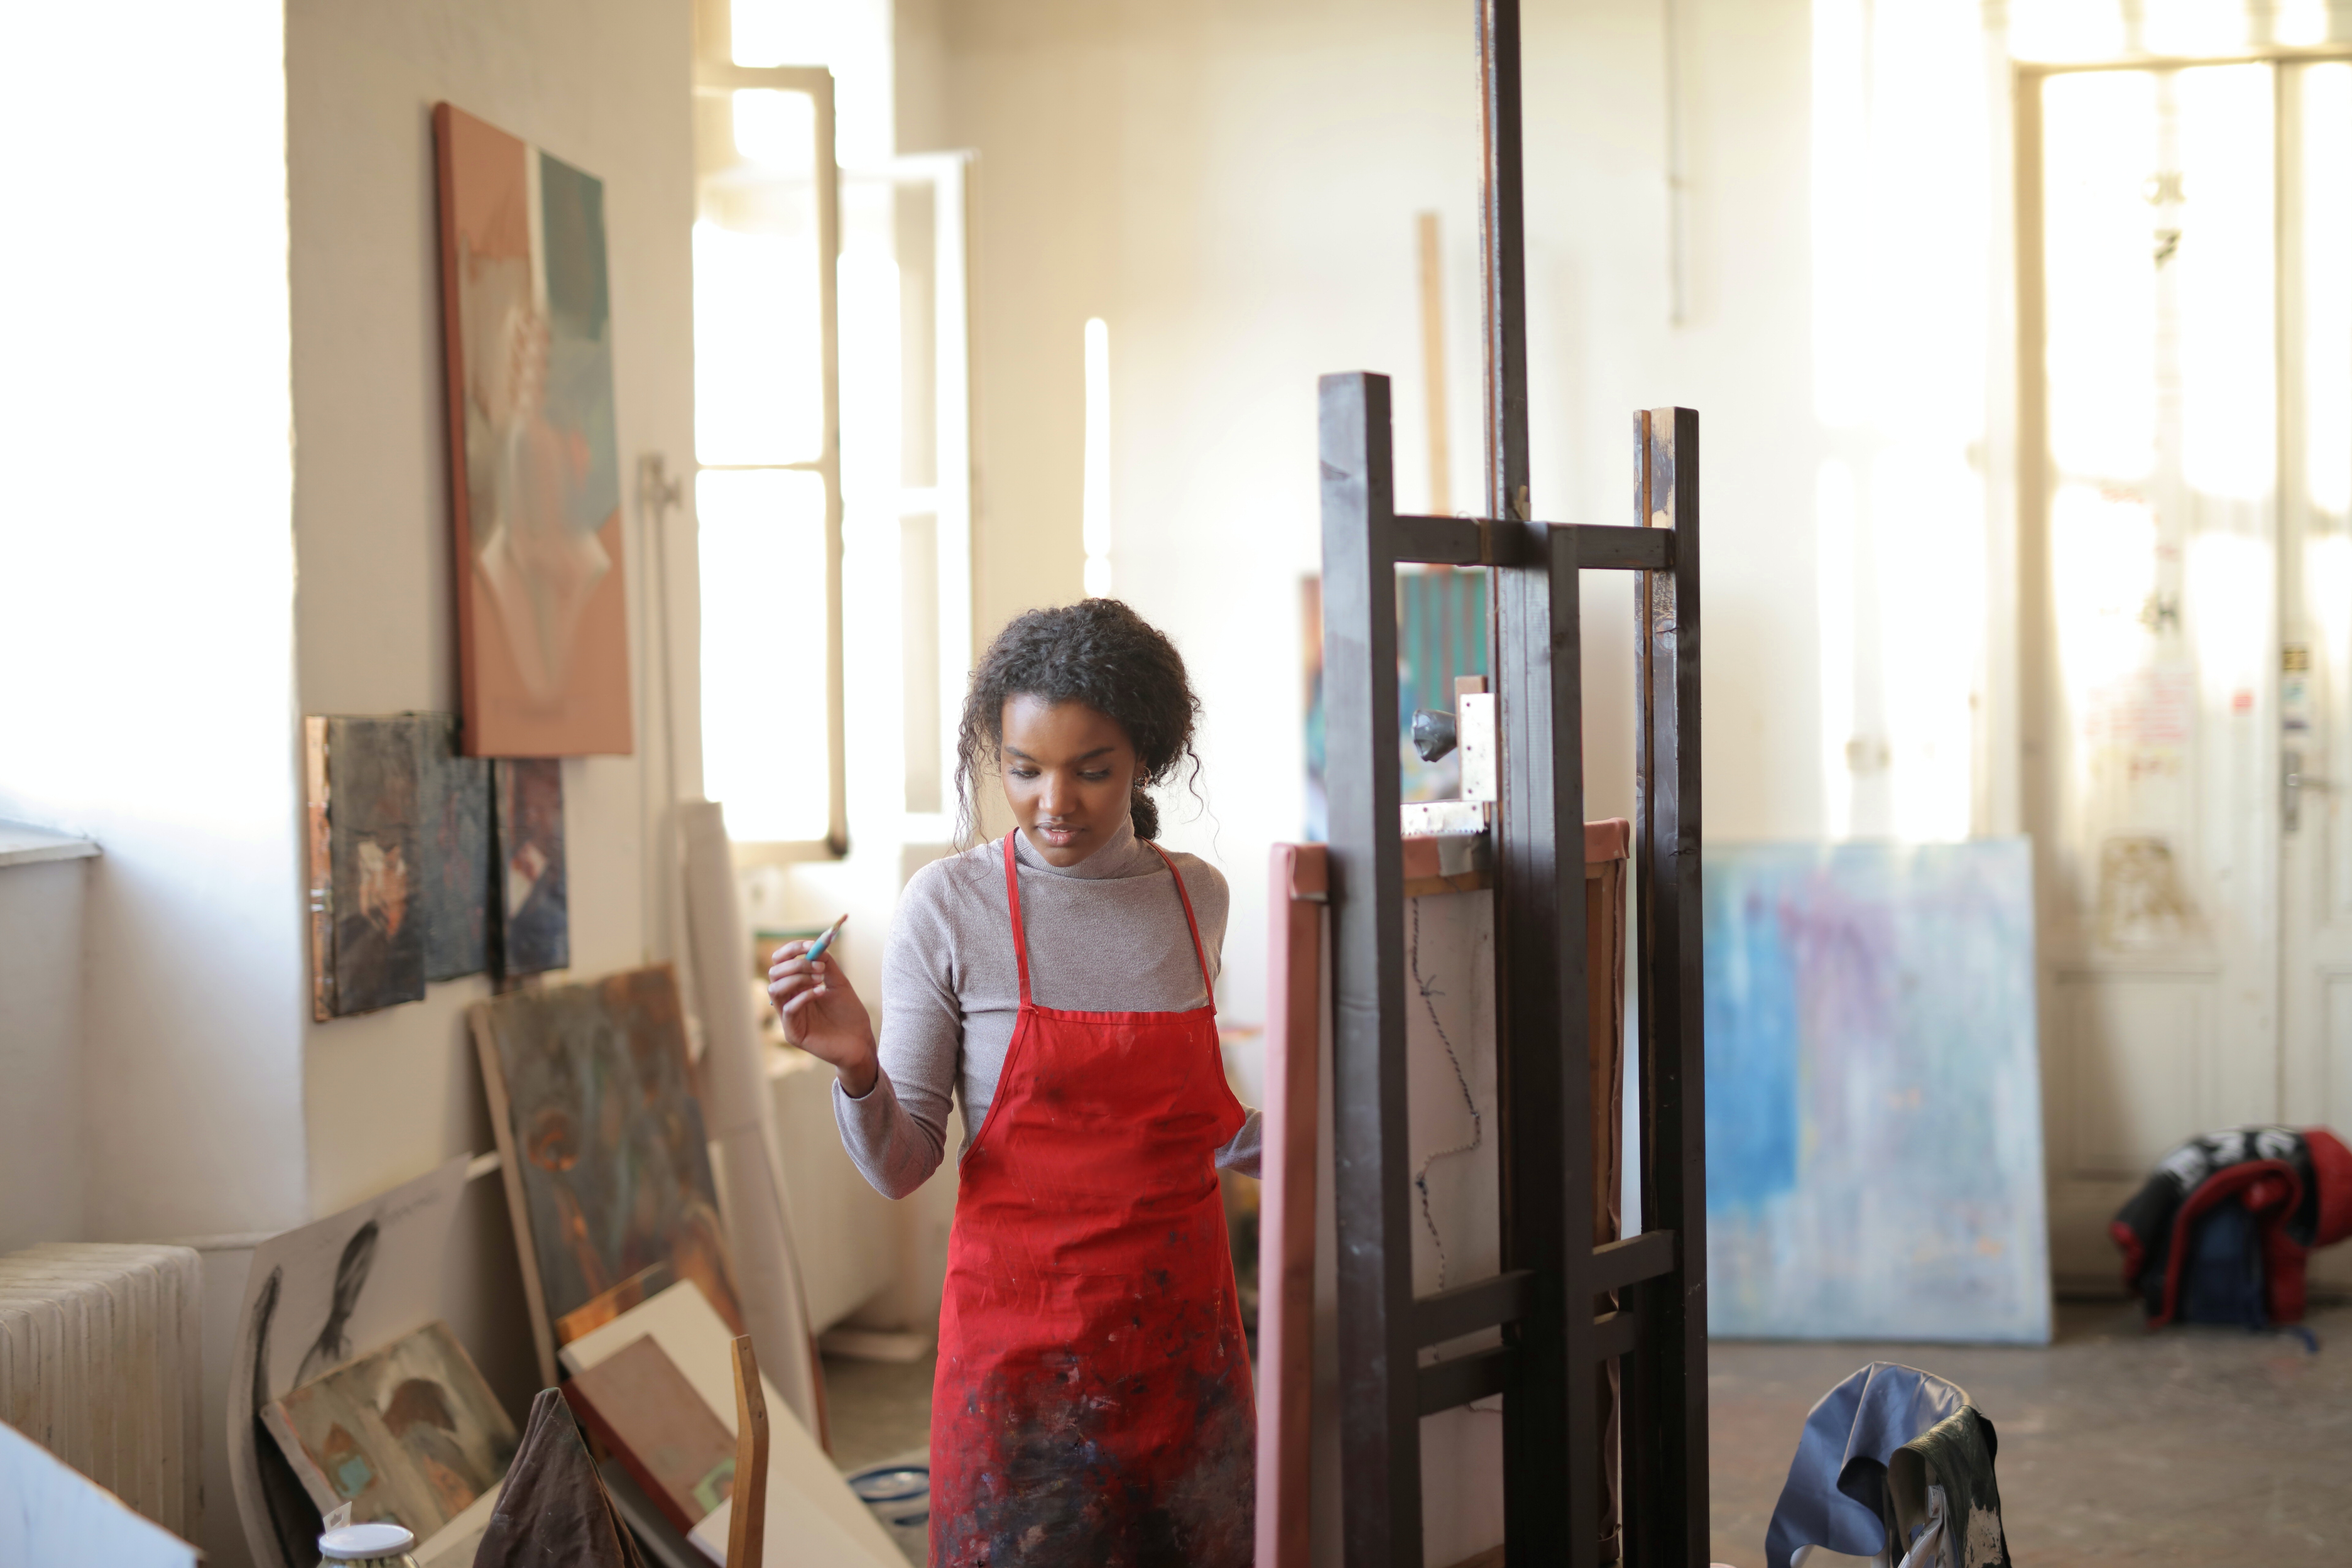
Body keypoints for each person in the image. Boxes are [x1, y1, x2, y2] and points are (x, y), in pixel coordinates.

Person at [767, 598, 1257, 1567]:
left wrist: (1342, 1131)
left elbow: (1200, 1123)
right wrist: (859, 1067)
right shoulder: (950, 908)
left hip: (1182, 1347)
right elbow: (903, 1167)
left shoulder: (1195, 897)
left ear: (1146, 757)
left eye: (1092, 770)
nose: (1053, 802)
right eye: (1025, 770)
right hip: (1024, 1365)